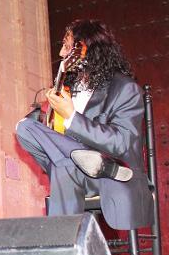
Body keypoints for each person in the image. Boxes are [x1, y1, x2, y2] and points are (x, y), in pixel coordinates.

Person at [16, 19, 153, 230]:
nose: (62, 53)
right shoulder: (67, 90)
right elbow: (37, 133)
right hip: (76, 171)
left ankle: (62, 253)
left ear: (85, 48)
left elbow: (122, 143)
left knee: (63, 166)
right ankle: (86, 160)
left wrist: (71, 116)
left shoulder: (124, 88)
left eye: (67, 46)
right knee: (25, 128)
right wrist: (47, 113)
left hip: (112, 176)